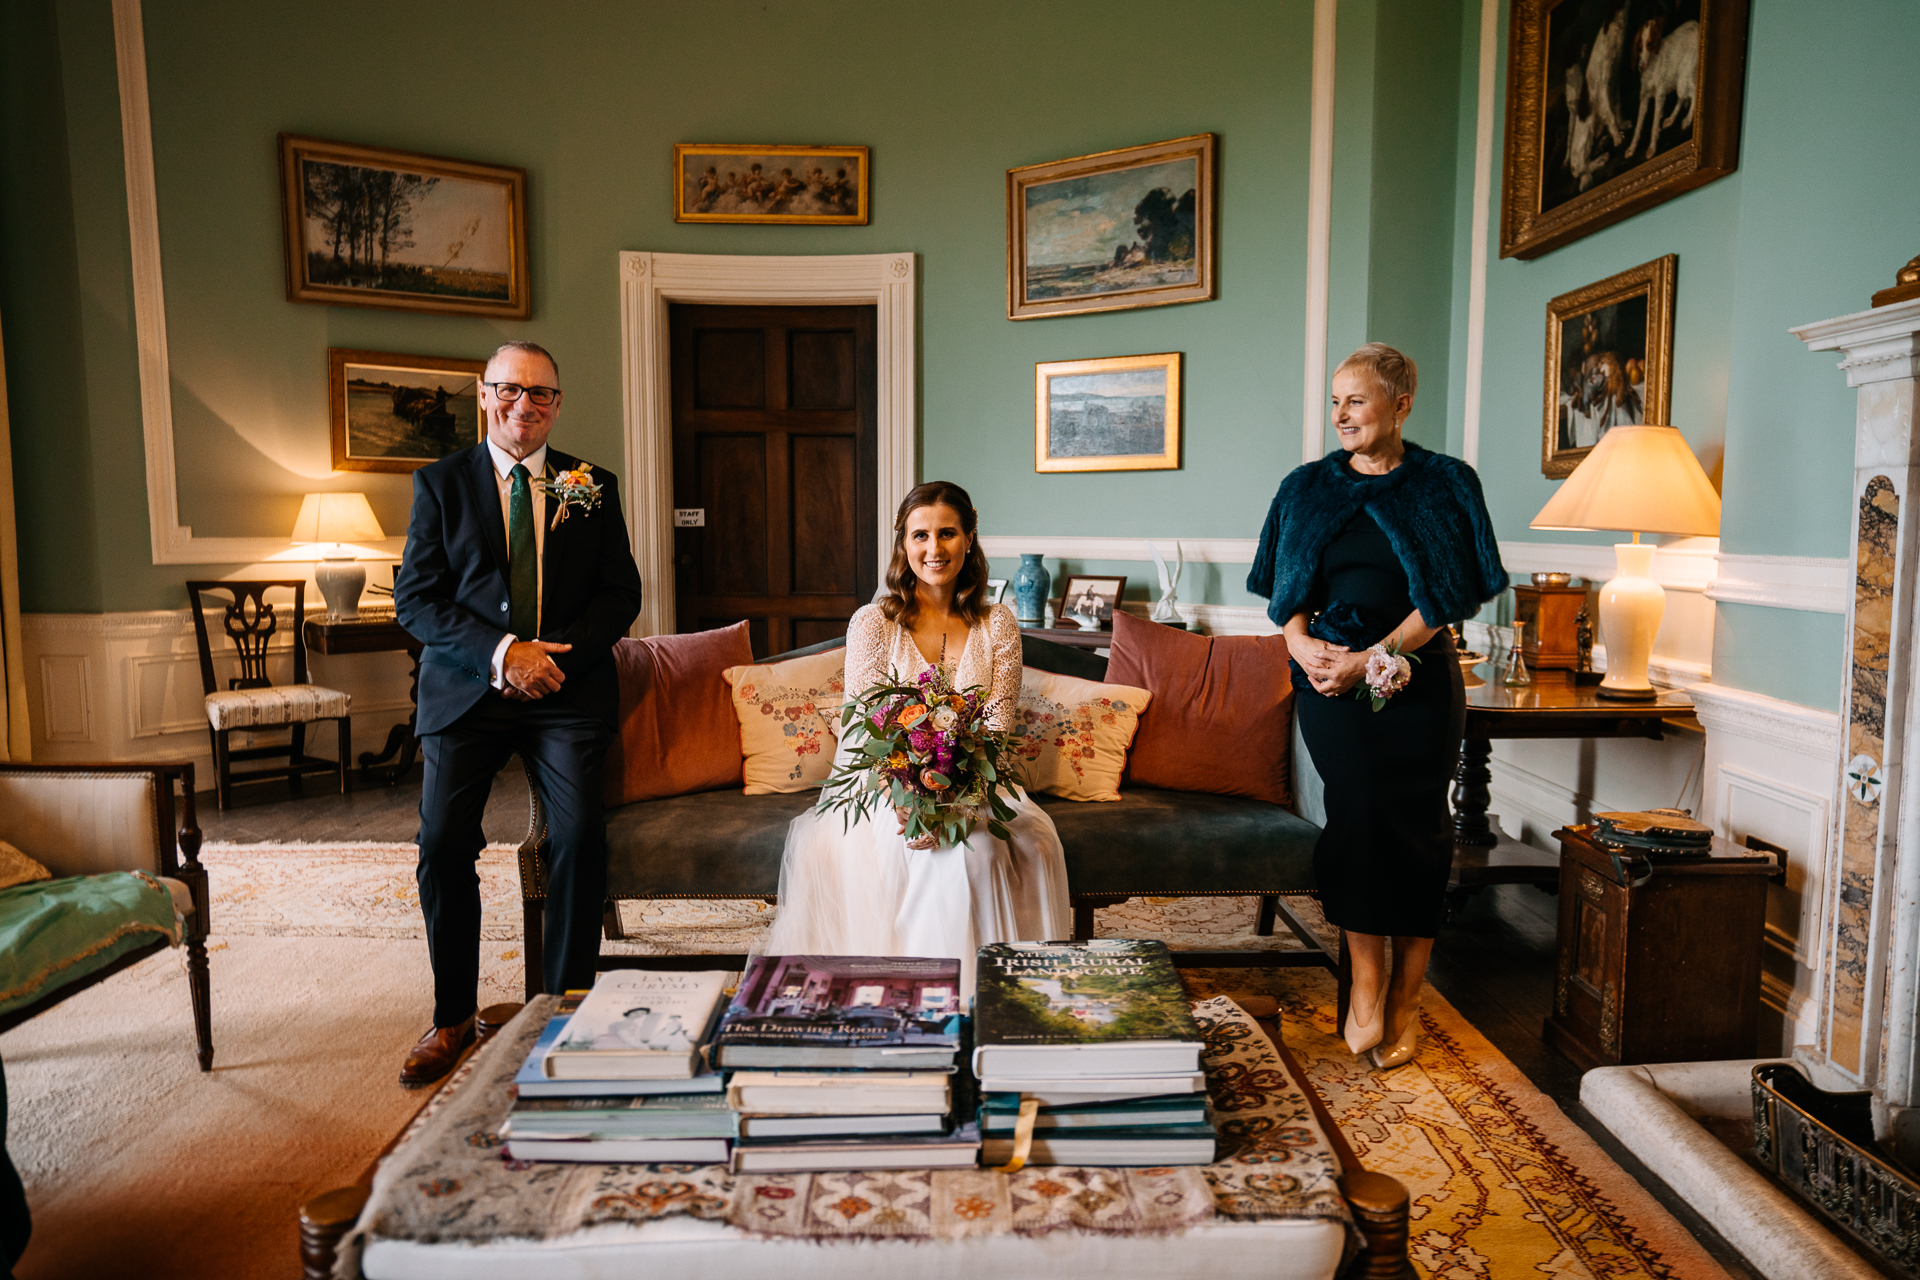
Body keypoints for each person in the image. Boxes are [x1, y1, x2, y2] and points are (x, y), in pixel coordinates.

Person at [1247, 344, 1506, 1071]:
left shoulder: (1446, 483)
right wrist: (1304, 650)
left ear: (1401, 403)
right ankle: (1366, 982)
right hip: (1331, 682)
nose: (1340, 416)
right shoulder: (1305, 489)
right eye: (1336, 402)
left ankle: (1408, 1000)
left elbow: (1448, 594)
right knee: (1358, 818)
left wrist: (1380, 656)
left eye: (1355, 401)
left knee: (1421, 825)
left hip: (1419, 678)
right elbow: (1285, 597)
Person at [393, 340, 644, 1086]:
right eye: (510, 390)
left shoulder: (589, 484)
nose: (524, 406)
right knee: (442, 842)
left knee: (577, 834)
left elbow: (619, 594)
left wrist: (555, 658)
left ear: (557, 405)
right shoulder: (439, 485)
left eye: (541, 394)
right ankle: (452, 1018)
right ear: (483, 393)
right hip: (469, 688)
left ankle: (562, 1011)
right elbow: (418, 599)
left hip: (563, 694)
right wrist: (505, 654)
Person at [760, 482, 1071, 992]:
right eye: (920, 535)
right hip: (882, 786)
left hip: (977, 783)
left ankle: (980, 998)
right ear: (903, 544)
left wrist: (955, 800)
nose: (934, 549)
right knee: (922, 853)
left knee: (982, 851)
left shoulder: (1000, 625)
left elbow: (994, 727)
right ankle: (918, 997)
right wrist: (907, 798)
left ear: (969, 537)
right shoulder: (873, 623)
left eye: (947, 533)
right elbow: (866, 726)